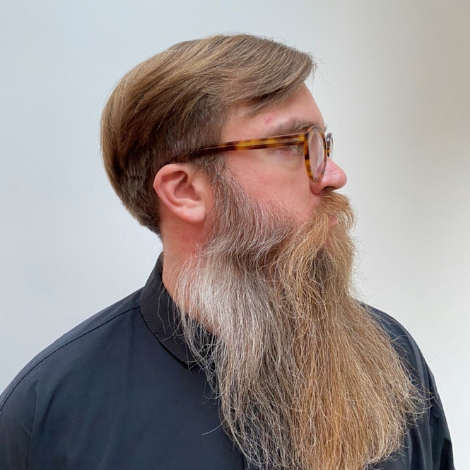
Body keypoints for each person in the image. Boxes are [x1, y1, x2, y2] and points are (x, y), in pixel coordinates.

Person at [0, 34, 454, 470]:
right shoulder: (52, 416)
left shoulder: (389, 358)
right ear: (184, 191)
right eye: (292, 146)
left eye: (322, 143)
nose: (333, 174)